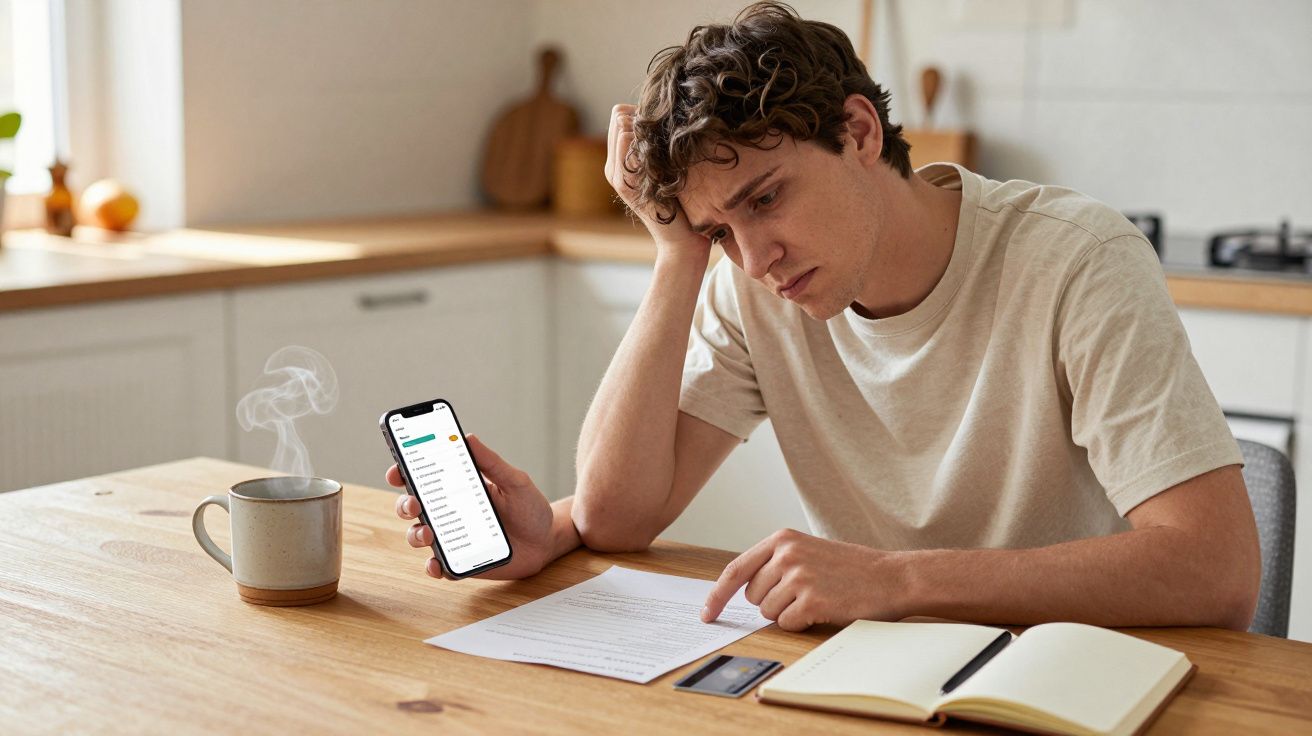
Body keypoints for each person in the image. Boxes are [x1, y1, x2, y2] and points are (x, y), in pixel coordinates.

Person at [390, 2, 1260, 632]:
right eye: (719, 230)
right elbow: (622, 516)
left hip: (1076, 680)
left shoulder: (1077, 259)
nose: (756, 257)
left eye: (766, 198)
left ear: (858, 132)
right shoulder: (752, 282)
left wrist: (896, 581)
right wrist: (676, 259)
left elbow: (1215, 571)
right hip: (880, 680)